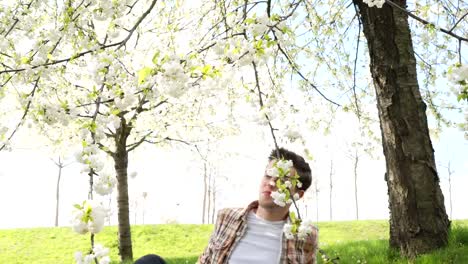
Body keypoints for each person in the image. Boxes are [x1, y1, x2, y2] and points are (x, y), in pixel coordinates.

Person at [198, 147, 318, 264]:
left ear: (298, 194)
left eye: (283, 180)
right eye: (268, 175)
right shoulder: (226, 217)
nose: (271, 183)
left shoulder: (306, 234)